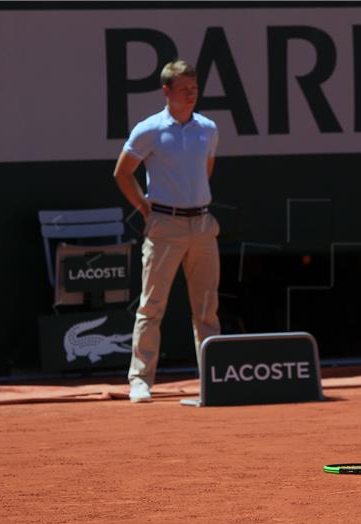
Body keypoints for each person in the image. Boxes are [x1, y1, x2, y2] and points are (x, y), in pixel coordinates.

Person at [113, 60, 221, 403]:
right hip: (164, 226)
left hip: (202, 225)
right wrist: (147, 209)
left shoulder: (208, 128)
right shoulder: (149, 129)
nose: (191, 95)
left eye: (194, 89)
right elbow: (122, 173)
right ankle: (140, 380)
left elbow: (205, 171)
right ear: (166, 92)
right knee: (151, 306)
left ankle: (213, 378)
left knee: (206, 308)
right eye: (184, 90)